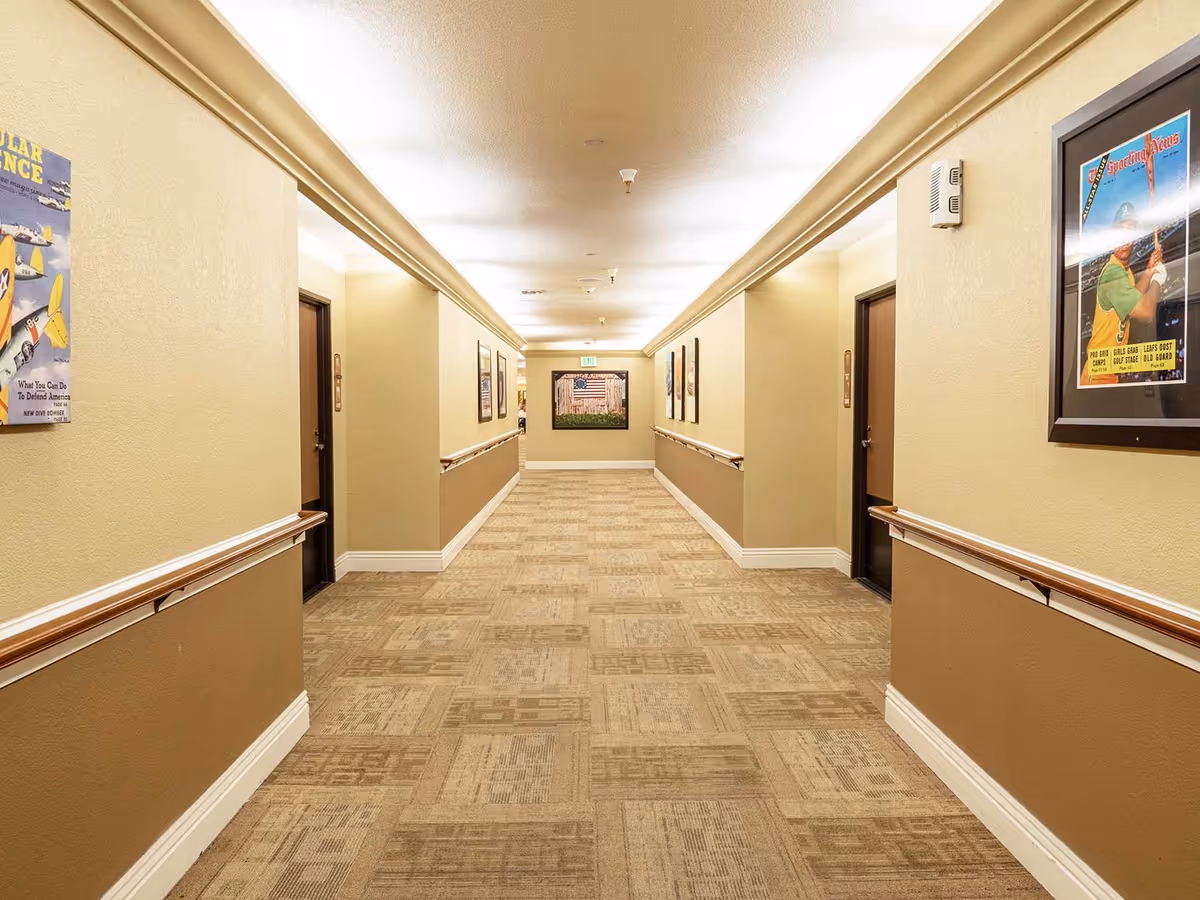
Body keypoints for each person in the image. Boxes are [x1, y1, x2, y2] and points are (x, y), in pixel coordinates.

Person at [1081, 201, 1166, 386]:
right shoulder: (1113, 273)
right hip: (1098, 375)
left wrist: (1149, 271)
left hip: (1109, 372)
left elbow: (1130, 298)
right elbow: (1145, 312)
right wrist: (1158, 281)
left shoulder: (1124, 270)